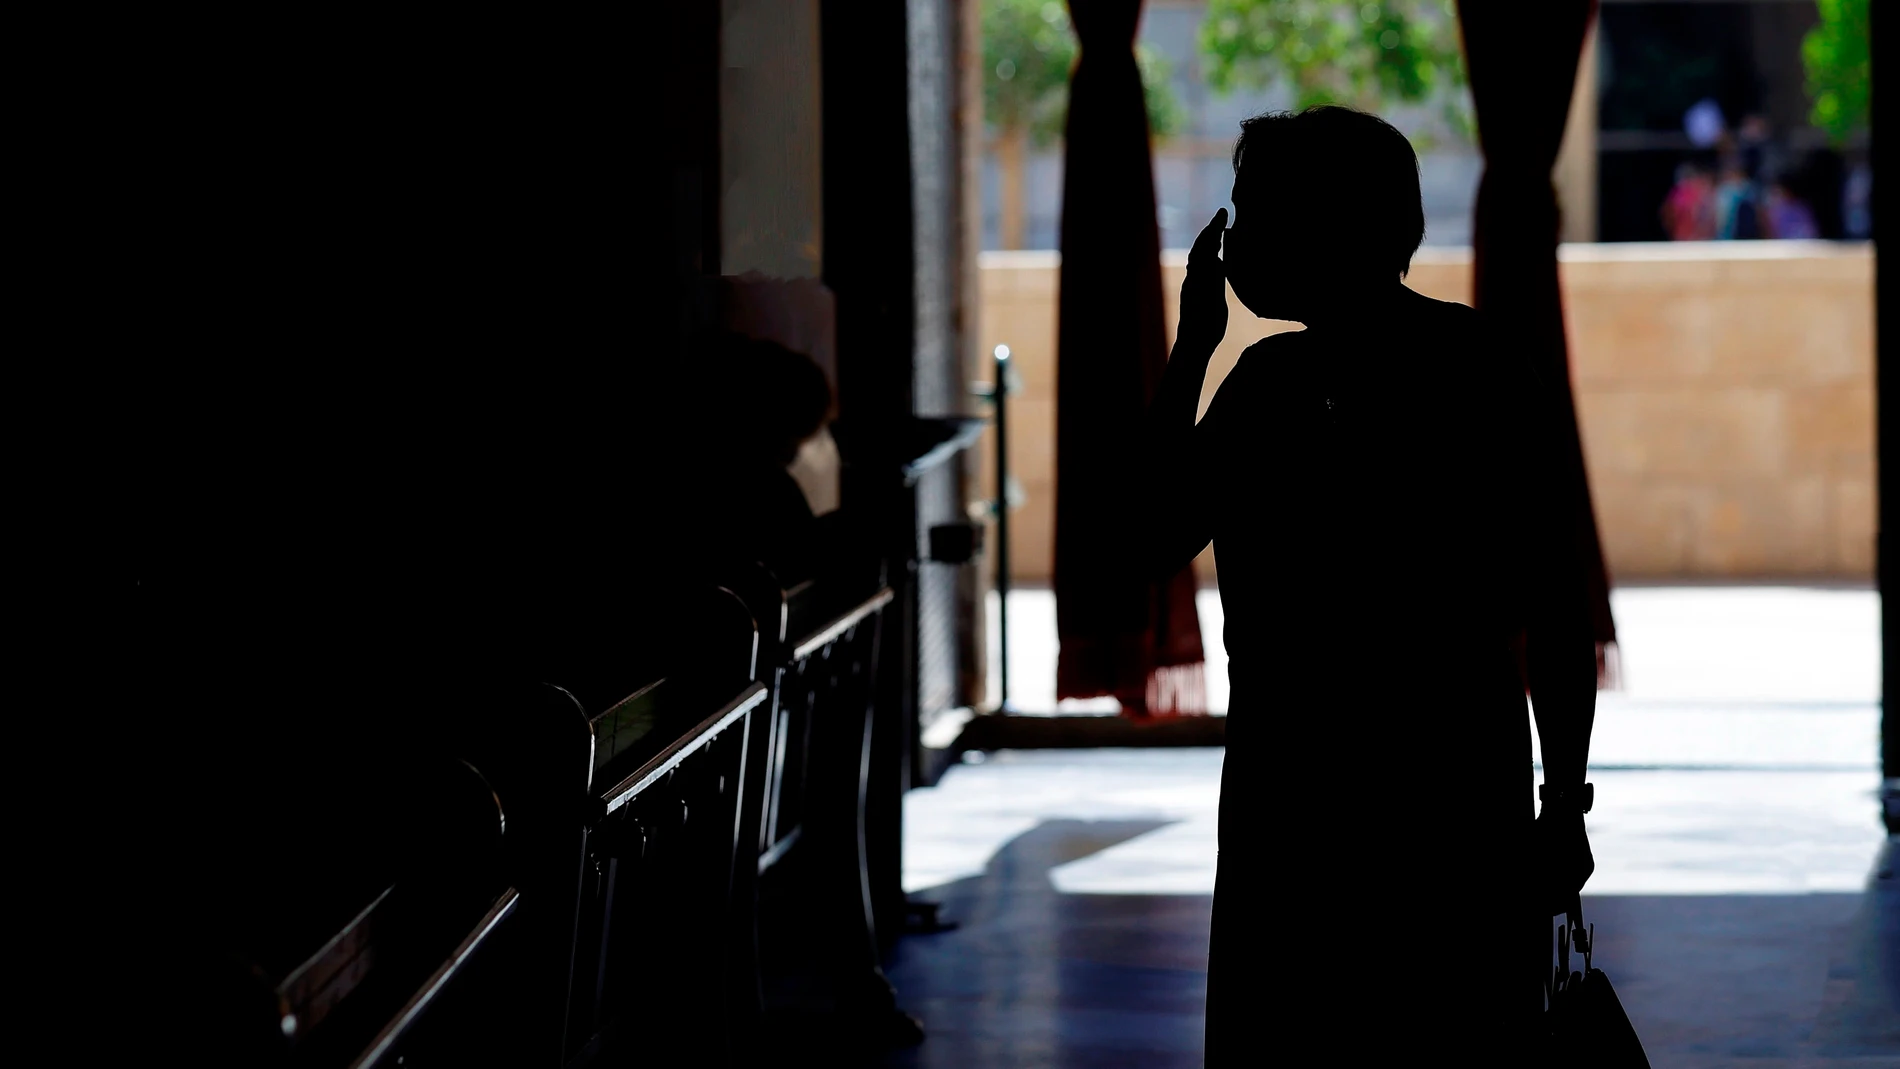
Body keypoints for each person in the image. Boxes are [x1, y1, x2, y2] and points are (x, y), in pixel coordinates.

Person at [1140, 106, 1599, 1061]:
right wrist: (1559, 805)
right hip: (1455, 779)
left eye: (1249, 211)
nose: (1230, 239)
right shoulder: (1479, 364)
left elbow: (1149, 535)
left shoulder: (1266, 385)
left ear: (1318, 224)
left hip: (1296, 790)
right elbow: (1555, 604)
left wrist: (1192, 351)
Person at [1661, 163, 1717, 241]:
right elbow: (1667, 214)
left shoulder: (1700, 193)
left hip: (1699, 238)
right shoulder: (1677, 194)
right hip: (1682, 236)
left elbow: (1707, 217)